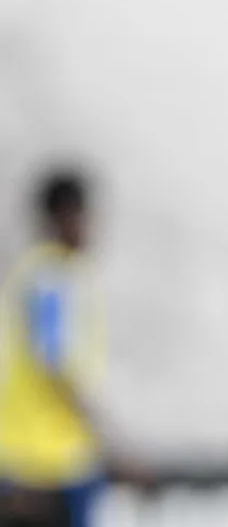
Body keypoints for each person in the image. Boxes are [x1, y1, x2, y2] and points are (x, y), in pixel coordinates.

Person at [0, 170, 105, 527]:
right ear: (65, 215)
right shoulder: (51, 276)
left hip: (40, 460)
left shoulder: (43, 272)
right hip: (42, 466)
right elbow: (54, 364)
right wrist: (107, 437)